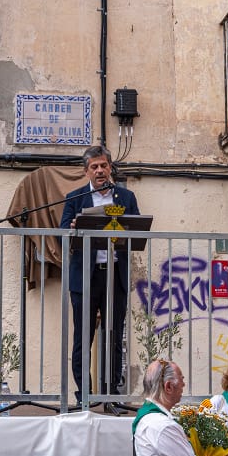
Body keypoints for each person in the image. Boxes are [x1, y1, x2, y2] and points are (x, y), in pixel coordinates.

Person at [59, 145, 140, 412]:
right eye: (94, 167)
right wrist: (72, 229)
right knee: (84, 338)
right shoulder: (75, 197)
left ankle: (111, 396)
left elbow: (138, 231)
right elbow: (62, 233)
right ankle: (84, 395)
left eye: (103, 165)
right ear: (86, 172)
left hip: (114, 277)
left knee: (114, 336)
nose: (100, 170)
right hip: (85, 279)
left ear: (110, 167)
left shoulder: (126, 197)